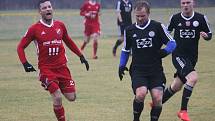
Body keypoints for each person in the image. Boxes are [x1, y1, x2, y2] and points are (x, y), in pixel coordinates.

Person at [17, 0, 89, 121]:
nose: (48, 9)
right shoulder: (34, 29)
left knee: (72, 97)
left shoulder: (60, 25)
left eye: (49, 7)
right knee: (57, 97)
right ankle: (51, 85)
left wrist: (81, 56)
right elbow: (20, 47)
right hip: (46, 69)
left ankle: (55, 84)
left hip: (62, 68)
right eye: (44, 8)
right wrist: (25, 63)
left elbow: (68, 41)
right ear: (40, 12)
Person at [118, 1, 176, 121]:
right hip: (138, 70)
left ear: (148, 13)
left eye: (142, 16)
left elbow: (172, 42)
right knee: (140, 94)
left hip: (155, 70)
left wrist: (165, 51)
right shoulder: (129, 30)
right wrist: (121, 65)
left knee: (158, 98)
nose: (139, 18)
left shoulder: (157, 26)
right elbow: (125, 49)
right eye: (137, 16)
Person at [162, 0, 212, 121]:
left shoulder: (201, 18)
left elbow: (209, 33)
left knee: (176, 86)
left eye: (188, 2)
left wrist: (207, 36)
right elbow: (166, 33)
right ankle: (183, 111)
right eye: (183, 3)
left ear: (193, 3)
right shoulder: (175, 18)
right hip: (178, 55)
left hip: (192, 57)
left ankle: (156, 102)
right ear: (180, 4)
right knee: (193, 78)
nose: (185, 5)